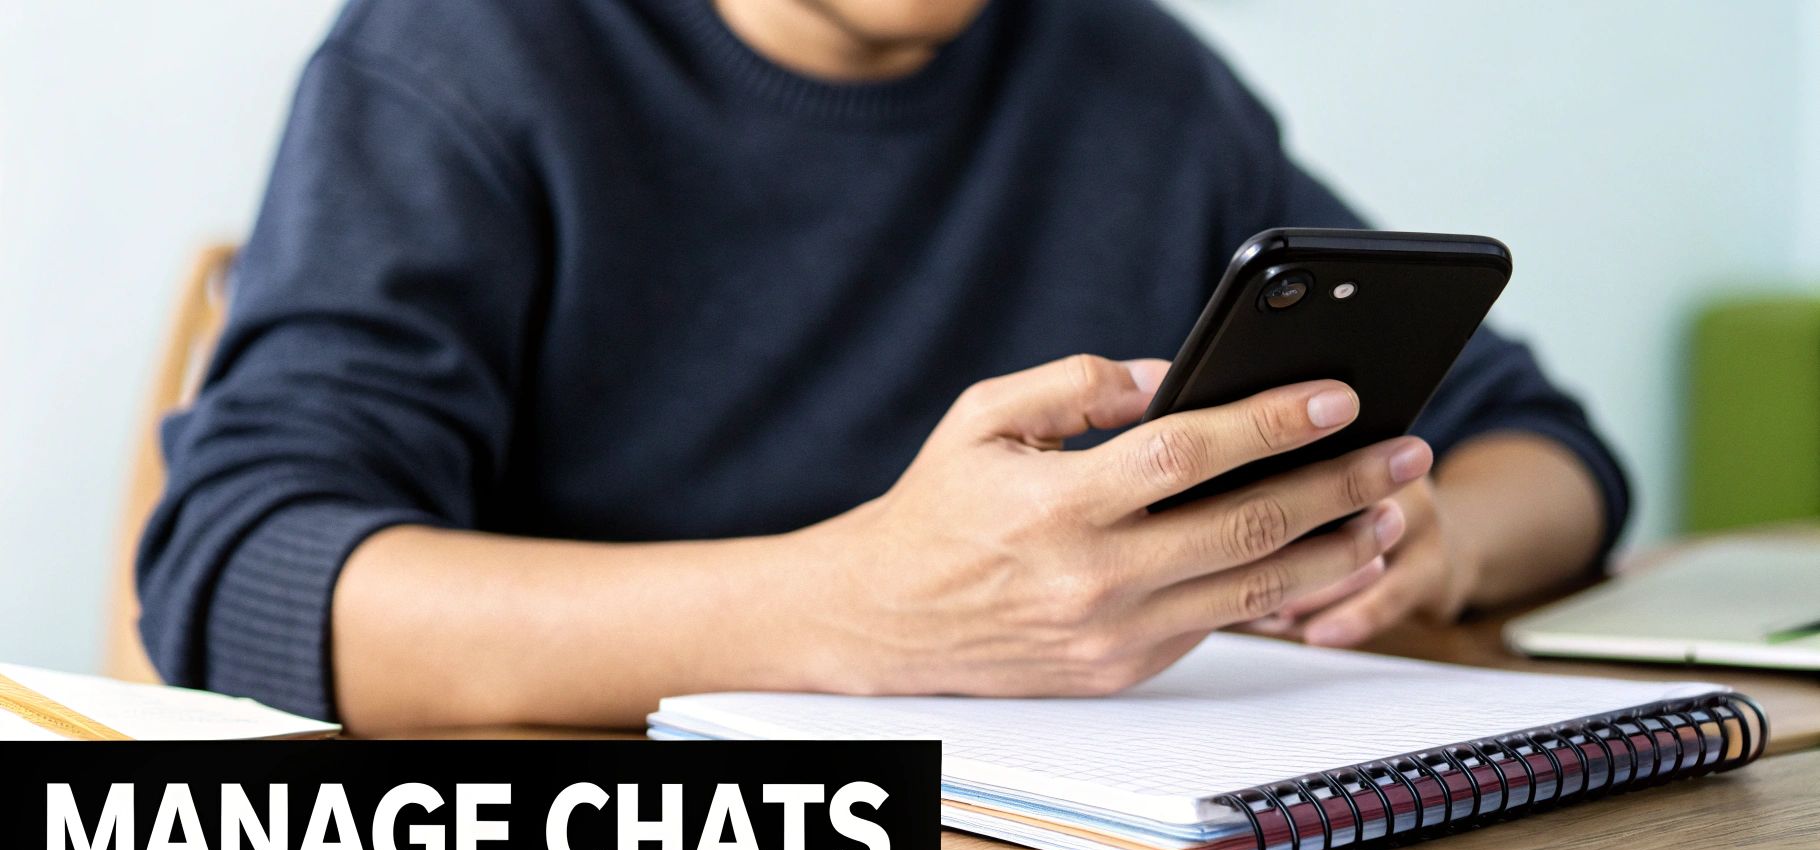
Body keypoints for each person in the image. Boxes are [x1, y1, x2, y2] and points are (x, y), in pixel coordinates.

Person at [137, 0, 1626, 733]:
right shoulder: (462, 59)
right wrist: (848, 611)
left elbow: (1546, 450)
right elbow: (246, 577)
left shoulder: (1135, 82)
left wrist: (1426, 541)